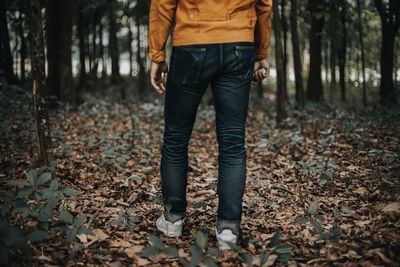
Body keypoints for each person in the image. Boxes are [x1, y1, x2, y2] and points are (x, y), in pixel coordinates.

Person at [148, 0, 272, 250]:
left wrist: (157, 54)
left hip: (191, 43)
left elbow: (163, 3)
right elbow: (264, 5)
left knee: (175, 137)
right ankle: (228, 229)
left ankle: (173, 219)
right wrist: (260, 53)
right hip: (239, 43)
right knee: (233, 142)